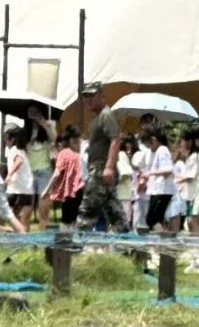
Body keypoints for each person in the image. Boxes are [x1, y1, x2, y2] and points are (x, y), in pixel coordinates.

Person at [74, 83, 128, 233]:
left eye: (92, 95)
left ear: (102, 96)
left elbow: (115, 139)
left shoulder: (106, 114)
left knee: (88, 208)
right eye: (86, 96)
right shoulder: (98, 117)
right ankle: (129, 248)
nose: (88, 99)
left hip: (101, 169)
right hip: (99, 168)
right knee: (114, 212)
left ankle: (77, 246)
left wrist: (109, 167)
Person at [41, 129, 84, 225]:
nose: (57, 149)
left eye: (57, 146)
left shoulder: (63, 154)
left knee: (68, 223)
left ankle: (69, 240)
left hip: (70, 192)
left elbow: (56, 174)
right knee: (76, 220)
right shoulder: (77, 154)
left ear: (61, 144)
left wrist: (46, 190)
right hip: (80, 190)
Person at [24, 108, 57, 226]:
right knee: (26, 211)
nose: (33, 115)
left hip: (44, 171)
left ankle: (44, 240)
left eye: (36, 112)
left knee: (44, 210)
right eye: (31, 113)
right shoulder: (25, 132)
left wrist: (42, 122)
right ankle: (24, 240)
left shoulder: (48, 126)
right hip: (28, 173)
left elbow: (55, 138)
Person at [144, 129, 177, 232]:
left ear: (154, 140)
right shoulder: (161, 150)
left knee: (152, 219)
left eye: (148, 144)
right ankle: (162, 239)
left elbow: (168, 169)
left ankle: (162, 241)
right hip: (160, 190)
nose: (149, 147)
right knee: (156, 218)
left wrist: (151, 173)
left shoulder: (162, 150)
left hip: (161, 190)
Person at [4, 128, 35, 228]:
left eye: (6, 139)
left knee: (13, 218)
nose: (5, 141)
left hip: (16, 189)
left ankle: (14, 239)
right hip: (25, 189)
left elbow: (19, 161)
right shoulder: (22, 151)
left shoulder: (14, 150)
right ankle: (21, 240)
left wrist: (9, 175)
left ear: (12, 140)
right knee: (23, 220)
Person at [116, 135, 136, 217]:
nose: (129, 151)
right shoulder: (121, 155)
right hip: (123, 194)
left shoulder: (121, 155)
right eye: (127, 148)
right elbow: (125, 173)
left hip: (123, 194)